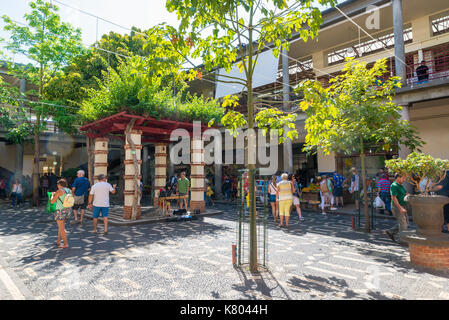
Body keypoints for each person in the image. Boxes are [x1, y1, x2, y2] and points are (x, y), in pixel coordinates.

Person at [386, 173, 408, 243]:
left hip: (402, 205)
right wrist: (400, 208)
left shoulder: (400, 185)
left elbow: (404, 193)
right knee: (403, 223)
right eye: (403, 178)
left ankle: (391, 231)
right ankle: (402, 240)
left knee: (406, 222)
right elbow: (393, 197)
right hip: (397, 206)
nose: (404, 180)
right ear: (398, 177)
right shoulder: (394, 185)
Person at [50, 179, 72, 249]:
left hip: (60, 210)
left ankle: (65, 244)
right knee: (61, 226)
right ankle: (58, 241)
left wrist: (52, 195)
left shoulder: (59, 191)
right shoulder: (69, 190)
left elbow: (52, 201)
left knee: (61, 228)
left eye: (58, 184)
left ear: (60, 185)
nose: (57, 186)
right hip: (67, 209)